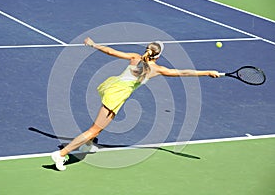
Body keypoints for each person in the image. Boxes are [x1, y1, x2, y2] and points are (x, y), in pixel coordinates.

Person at [51, 37, 220, 171]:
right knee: (94, 129)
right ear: (158, 56)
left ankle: (86, 145)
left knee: (99, 127)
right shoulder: (157, 69)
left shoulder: (135, 57)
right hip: (116, 97)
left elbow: (110, 52)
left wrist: (93, 44)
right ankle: (61, 154)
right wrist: (207, 72)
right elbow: (183, 72)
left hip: (111, 87)